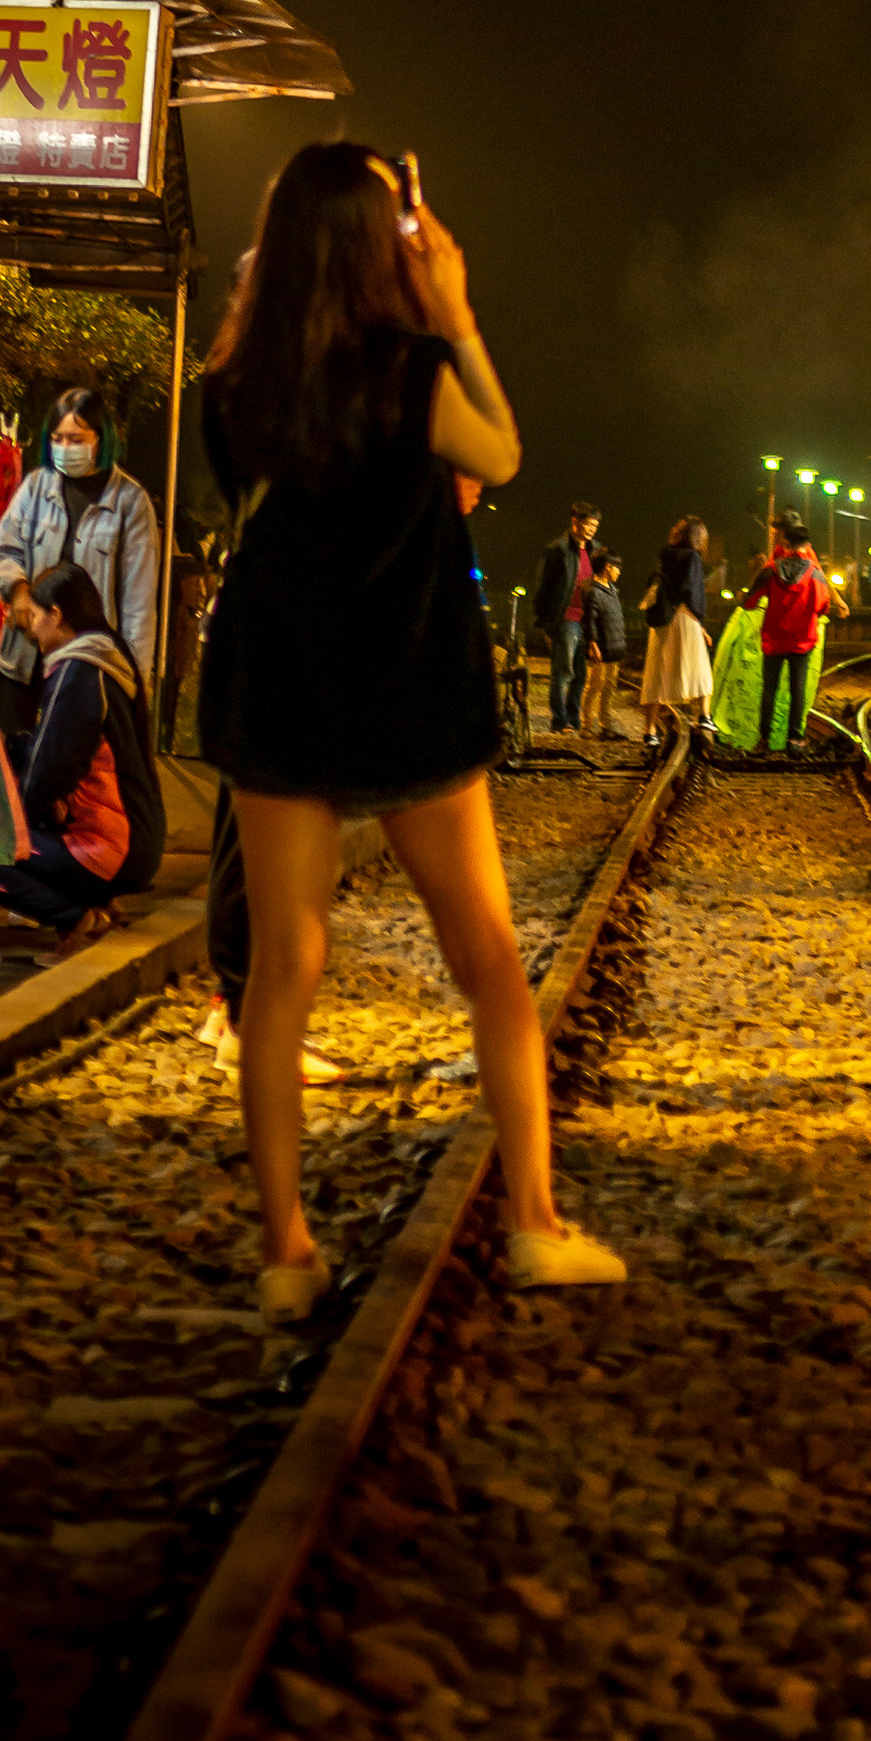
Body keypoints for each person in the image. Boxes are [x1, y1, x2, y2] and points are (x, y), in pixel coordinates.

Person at [191, 142, 623, 1311]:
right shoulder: (410, 371)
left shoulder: (231, 385)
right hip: (405, 683)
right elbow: (502, 455)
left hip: (281, 686)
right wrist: (459, 316)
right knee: (487, 960)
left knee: (285, 969)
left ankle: (284, 1249)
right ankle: (533, 1220)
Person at [0, 566, 139, 943]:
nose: (30, 627)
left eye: (37, 617)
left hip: (97, 847)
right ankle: (96, 903)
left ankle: (76, 918)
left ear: (57, 616)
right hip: (117, 837)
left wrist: (6, 823)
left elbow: (51, 770)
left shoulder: (78, 672)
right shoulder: (105, 660)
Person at [0, 390, 160, 715]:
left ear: (101, 438)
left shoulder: (130, 502)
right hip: (24, 662)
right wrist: (19, 591)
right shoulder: (36, 487)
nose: (65, 448)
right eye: (58, 438)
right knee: (8, 758)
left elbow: (138, 608)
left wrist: (134, 684)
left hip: (87, 670)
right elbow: (2, 551)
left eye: (76, 439)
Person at [746, 514, 843, 758]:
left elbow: (748, 601)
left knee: (770, 689)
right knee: (797, 691)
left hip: (773, 638)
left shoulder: (771, 569)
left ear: (785, 543)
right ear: (806, 545)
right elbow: (823, 607)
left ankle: (764, 739)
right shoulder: (815, 573)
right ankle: (795, 740)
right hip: (803, 640)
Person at [637, 517, 716, 749]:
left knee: (656, 671)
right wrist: (699, 621)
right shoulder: (692, 557)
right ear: (697, 537)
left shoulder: (663, 556)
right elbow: (691, 590)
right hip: (684, 617)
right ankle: (704, 716)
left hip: (662, 618)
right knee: (701, 668)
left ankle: (649, 731)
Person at [533, 504, 602, 737]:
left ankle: (573, 719)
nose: (592, 529)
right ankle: (559, 720)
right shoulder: (558, 549)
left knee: (581, 675)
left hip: (586, 621)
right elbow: (542, 586)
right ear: (575, 521)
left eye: (596, 525)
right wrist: (545, 619)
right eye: (588, 524)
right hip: (566, 618)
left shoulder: (597, 551)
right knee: (563, 672)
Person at [585, 555, 630, 737]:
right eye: (617, 568)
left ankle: (606, 724)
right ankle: (587, 725)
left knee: (609, 687)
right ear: (607, 567)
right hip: (601, 648)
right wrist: (592, 643)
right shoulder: (593, 591)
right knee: (595, 685)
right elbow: (589, 620)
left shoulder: (612, 590)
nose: (619, 572)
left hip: (614, 646)